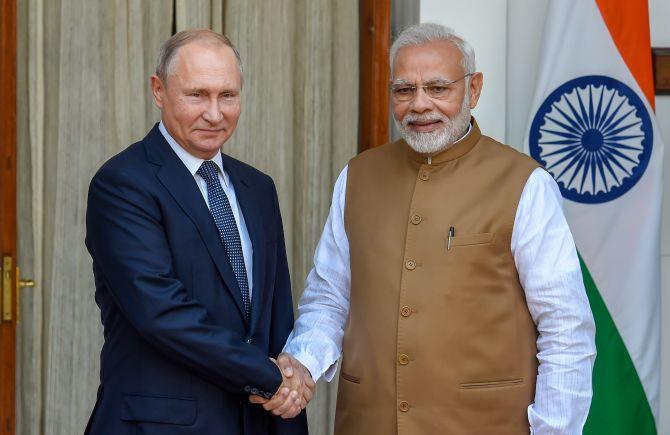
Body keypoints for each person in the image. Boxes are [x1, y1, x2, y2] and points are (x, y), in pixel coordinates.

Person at [264, 23, 597, 434]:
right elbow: (329, 299)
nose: (419, 105)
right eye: (404, 90)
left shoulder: (525, 184)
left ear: (473, 90)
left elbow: (566, 329)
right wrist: (301, 364)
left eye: (438, 89)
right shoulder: (358, 177)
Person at [84, 29, 312, 434]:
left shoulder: (257, 188)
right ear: (159, 90)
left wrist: (289, 406)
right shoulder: (123, 183)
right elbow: (161, 313)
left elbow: (276, 317)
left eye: (228, 95)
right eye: (197, 95)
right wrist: (270, 377)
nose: (214, 113)